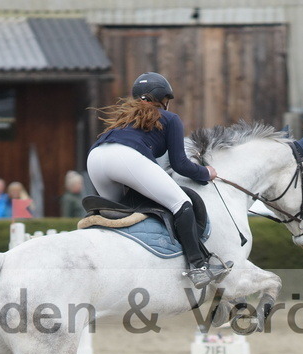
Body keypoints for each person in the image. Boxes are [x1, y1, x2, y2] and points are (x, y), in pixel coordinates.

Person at [87, 72, 228, 288]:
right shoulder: (170, 118)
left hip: (95, 158)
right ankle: (198, 267)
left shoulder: (125, 119)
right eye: (167, 99)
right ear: (161, 98)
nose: (167, 103)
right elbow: (180, 164)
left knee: (116, 216)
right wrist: (205, 173)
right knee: (181, 203)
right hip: (125, 158)